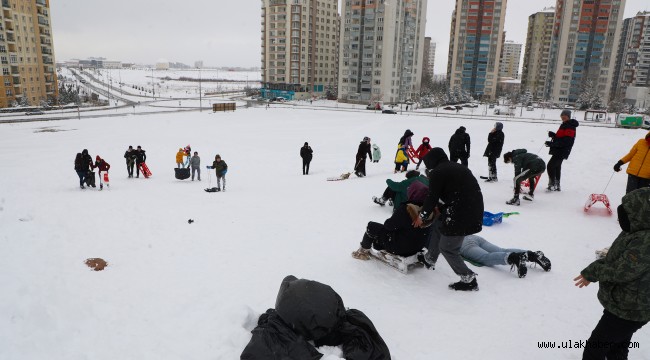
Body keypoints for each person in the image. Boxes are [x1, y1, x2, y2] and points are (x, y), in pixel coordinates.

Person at [574, 187, 650, 360]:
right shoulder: (636, 231)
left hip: (629, 309)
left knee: (595, 350)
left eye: (628, 214)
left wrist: (593, 271)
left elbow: (622, 271)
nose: (622, 217)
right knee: (616, 348)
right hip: (628, 305)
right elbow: (616, 259)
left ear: (641, 214)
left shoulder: (645, 241)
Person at [413, 148, 484, 291]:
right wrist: (443, 208)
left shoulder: (438, 172)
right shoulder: (456, 167)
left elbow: (432, 197)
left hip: (461, 213)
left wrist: (422, 216)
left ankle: (468, 278)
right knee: (439, 225)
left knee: (448, 248)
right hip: (472, 209)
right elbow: (459, 192)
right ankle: (429, 259)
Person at [352, 181, 431, 260]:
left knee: (371, 226)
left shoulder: (407, 209)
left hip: (401, 248)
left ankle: (362, 252)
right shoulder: (429, 210)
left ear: (413, 193)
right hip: (417, 247)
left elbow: (389, 226)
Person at [460, 235, 551, 278]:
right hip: (474, 237)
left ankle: (512, 257)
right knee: (502, 250)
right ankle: (532, 255)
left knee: (485, 257)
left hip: (461, 242)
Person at [545, 109, 579, 191]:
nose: (563, 117)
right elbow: (561, 137)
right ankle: (557, 185)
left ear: (568, 117)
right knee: (556, 167)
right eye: (562, 115)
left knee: (550, 166)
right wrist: (554, 135)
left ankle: (552, 184)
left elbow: (566, 141)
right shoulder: (564, 124)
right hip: (559, 150)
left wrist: (552, 144)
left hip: (562, 150)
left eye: (565, 116)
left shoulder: (570, 126)